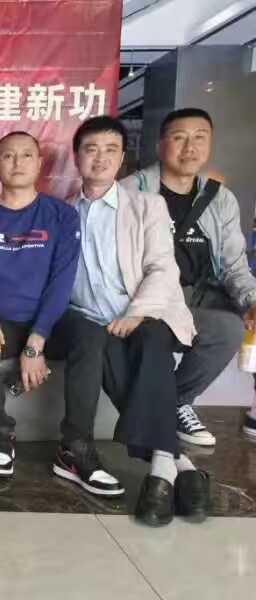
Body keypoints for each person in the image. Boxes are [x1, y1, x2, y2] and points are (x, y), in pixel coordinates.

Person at [54, 116, 210, 526]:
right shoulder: (63, 214)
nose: (100, 158)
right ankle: (175, 463)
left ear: (122, 157)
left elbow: (163, 266)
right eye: (91, 149)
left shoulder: (146, 206)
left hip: (148, 312)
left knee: (152, 345)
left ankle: (160, 470)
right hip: (93, 319)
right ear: (76, 157)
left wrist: (136, 312)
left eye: (110, 150)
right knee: (107, 350)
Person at [122, 108, 256, 445]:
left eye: (200, 138)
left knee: (238, 323)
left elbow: (233, 264)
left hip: (201, 295)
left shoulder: (220, 198)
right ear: (160, 144)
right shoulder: (131, 191)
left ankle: (175, 402)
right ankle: (171, 405)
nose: (190, 147)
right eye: (179, 137)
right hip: (151, 298)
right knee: (220, 329)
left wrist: (251, 301)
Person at [0, 131, 81, 477]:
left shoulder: (62, 216)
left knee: (91, 337)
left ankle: (77, 446)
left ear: (40, 163)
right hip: (1, 320)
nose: (17, 162)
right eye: (8, 155)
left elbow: (62, 281)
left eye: (26, 155)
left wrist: (36, 342)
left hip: (50, 322)